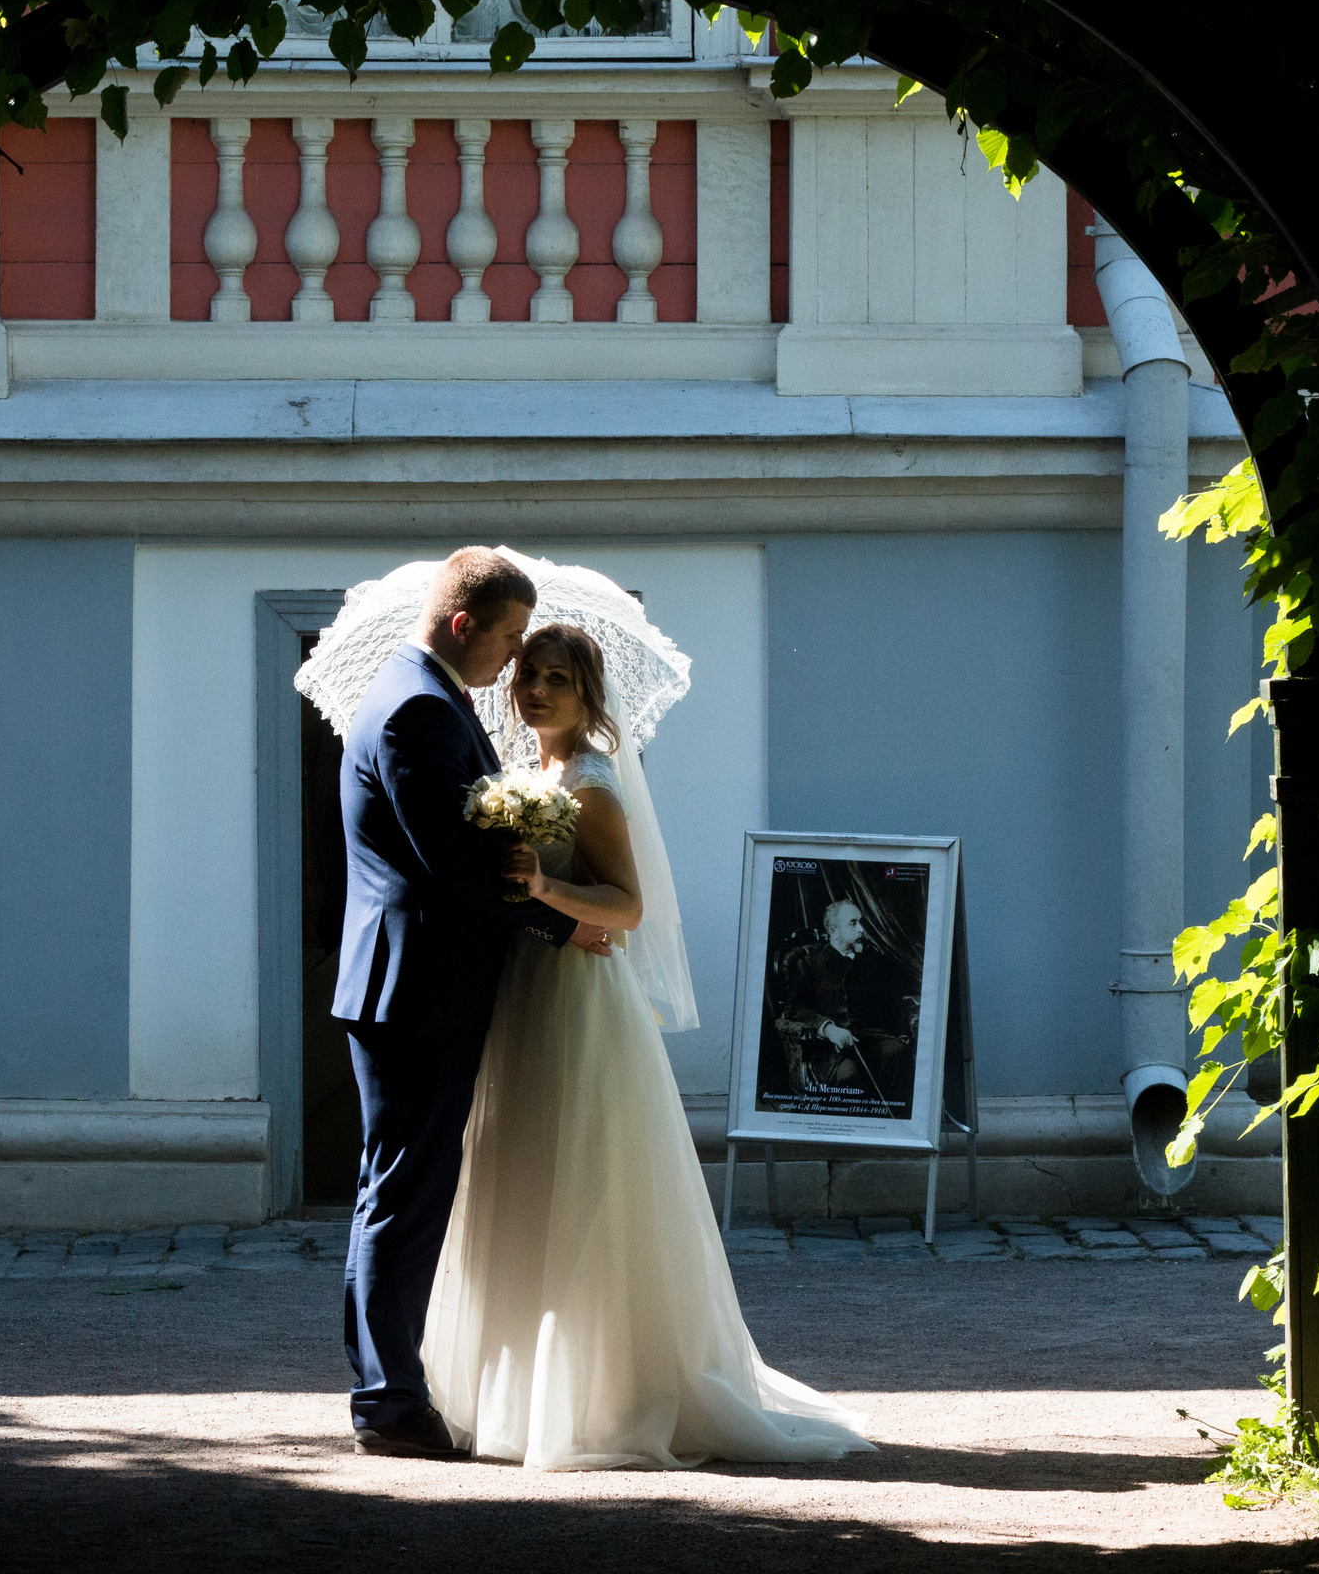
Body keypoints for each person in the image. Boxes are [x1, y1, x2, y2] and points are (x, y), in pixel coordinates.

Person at [420, 622, 874, 1469]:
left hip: (580, 998)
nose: (537, 691)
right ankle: (516, 1391)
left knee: (587, 1176)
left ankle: (609, 1392)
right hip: (524, 989)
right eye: (527, 675)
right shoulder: (523, 775)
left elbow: (627, 907)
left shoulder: (591, 782)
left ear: (590, 694)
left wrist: (546, 885)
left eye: (557, 678)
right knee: (520, 1176)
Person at [333, 548, 617, 1461]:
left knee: (403, 1186)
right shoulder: (419, 706)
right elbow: (450, 862)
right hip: (414, 987)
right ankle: (387, 1400)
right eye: (505, 639)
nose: (510, 660)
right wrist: (559, 924)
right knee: (406, 1193)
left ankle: (390, 1385)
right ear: (465, 626)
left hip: (415, 985)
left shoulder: (418, 690)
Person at [770, 898, 920, 1110]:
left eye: (861, 923)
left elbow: (892, 1002)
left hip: (870, 1038)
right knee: (851, 1074)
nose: (861, 929)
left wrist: (902, 1032)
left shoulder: (872, 961)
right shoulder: (809, 964)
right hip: (828, 1048)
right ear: (834, 930)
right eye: (853, 923)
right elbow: (793, 1009)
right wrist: (828, 1029)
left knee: (898, 1053)